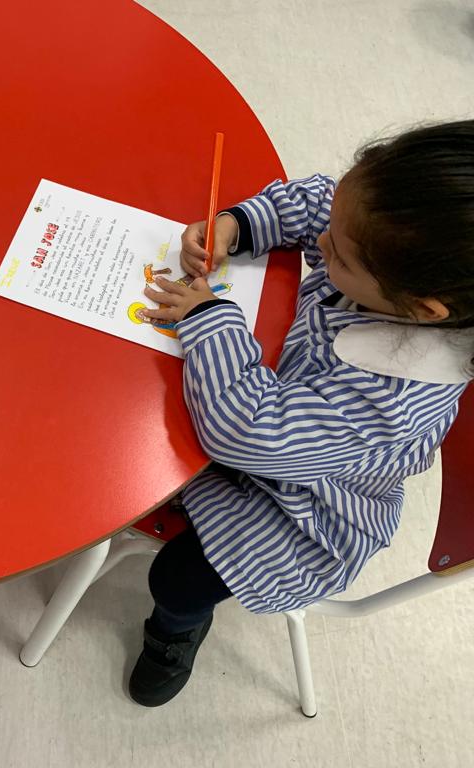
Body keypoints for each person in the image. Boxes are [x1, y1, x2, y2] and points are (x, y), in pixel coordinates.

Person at [129, 120, 474, 707]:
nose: (322, 243)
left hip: (306, 513)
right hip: (283, 423)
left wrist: (208, 317)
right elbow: (319, 201)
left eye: (338, 254)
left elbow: (243, 430)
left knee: (176, 580)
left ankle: (175, 629)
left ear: (422, 310)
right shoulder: (381, 248)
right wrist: (237, 226)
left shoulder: (391, 398)